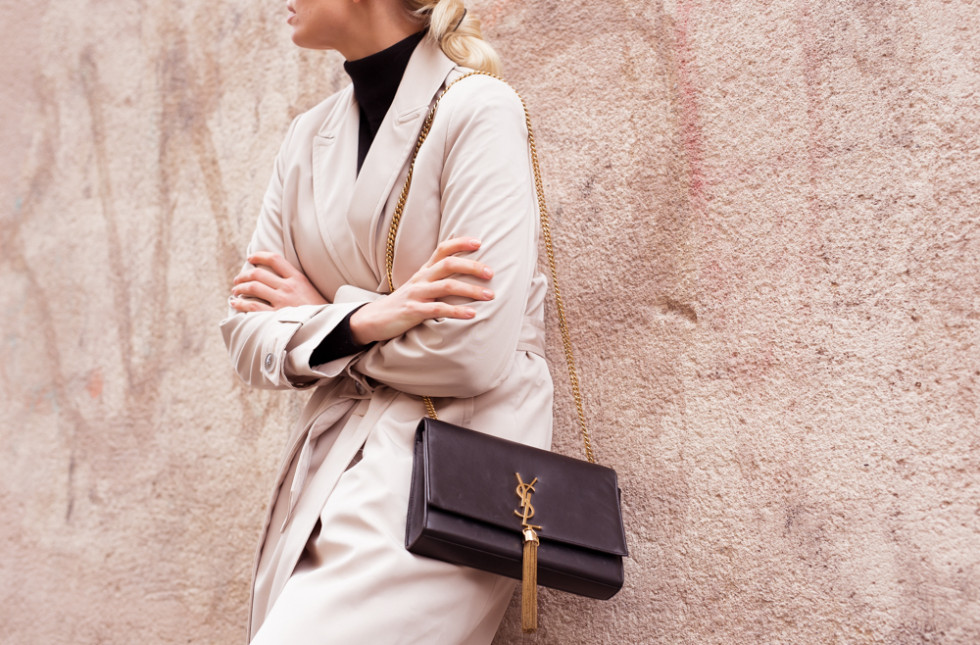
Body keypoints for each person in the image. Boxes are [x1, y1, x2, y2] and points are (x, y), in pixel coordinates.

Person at [220, 0, 553, 642]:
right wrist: (372, 317)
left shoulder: (477, 110)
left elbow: (469, 353)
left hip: (453, 470)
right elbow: (247, 335)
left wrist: (325, 325)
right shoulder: (306, 138)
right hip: (329, 467)